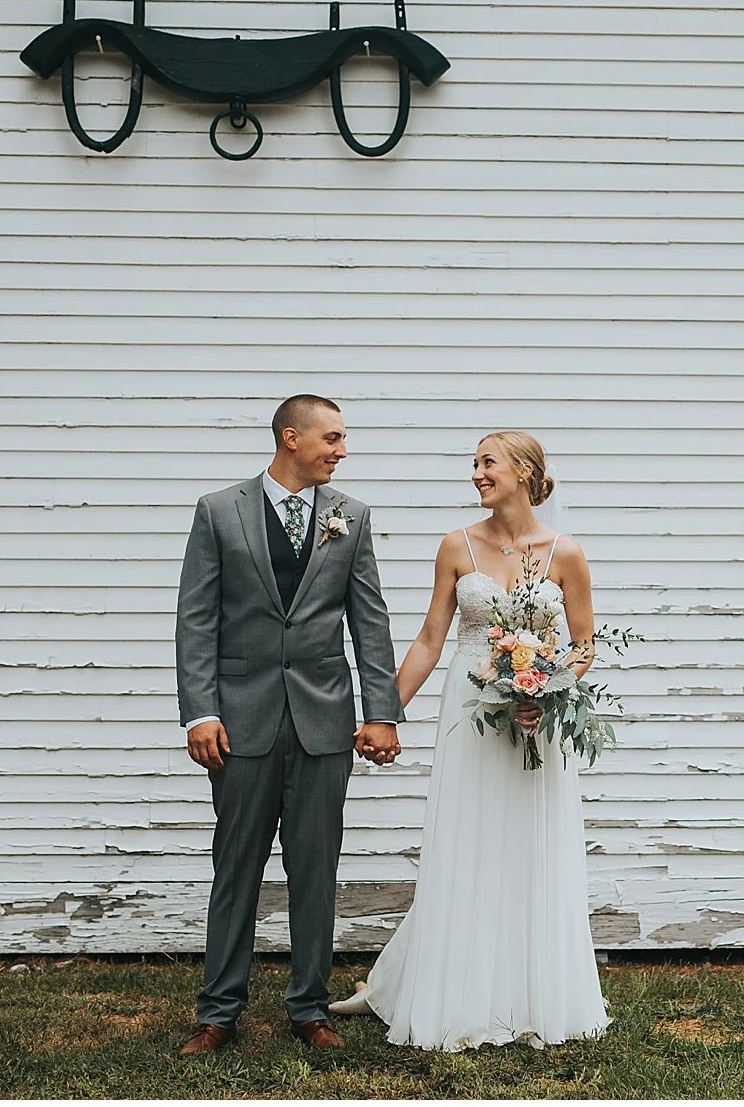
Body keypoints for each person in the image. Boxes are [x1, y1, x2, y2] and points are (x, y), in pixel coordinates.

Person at [329, 430, 610, 1050]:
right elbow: (431, 639)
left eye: (488, 464)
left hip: (537, 719)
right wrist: (385, 713)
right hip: (469, 712)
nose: (477, 475)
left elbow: (584, 645)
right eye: (475, 465)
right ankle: (437, 987)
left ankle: (529, 993)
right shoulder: (457, 546)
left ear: (524, 472)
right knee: (466, 843)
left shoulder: (567, 554)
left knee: (528, 843)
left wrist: (545, 688)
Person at [174, 394, 404, 1055]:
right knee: (235, 866)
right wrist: (202, 709)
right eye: (331, 437)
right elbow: (196, 617)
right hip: (238, 722)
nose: (342, 448)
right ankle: (218, 1011)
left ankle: (308, 1008)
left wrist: (380, 711)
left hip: (322, 722)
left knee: (315, 868)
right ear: (290, 437)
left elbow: (370, 620)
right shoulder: (219, 511)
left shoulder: (349, 517)